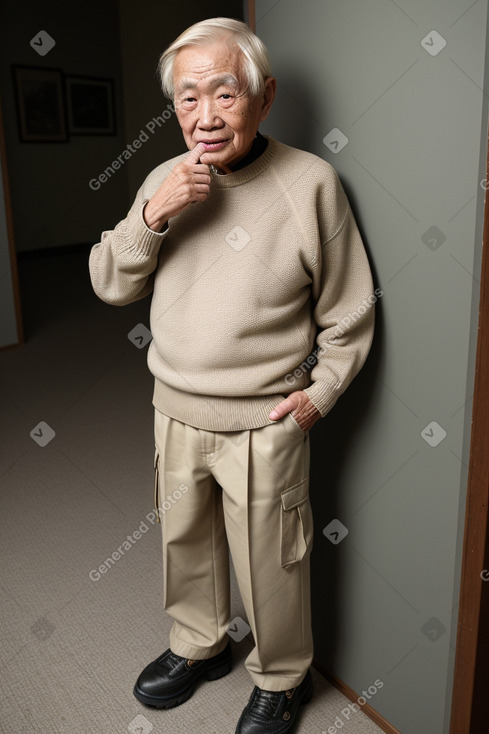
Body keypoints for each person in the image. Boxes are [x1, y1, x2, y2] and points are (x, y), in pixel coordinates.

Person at [89, 16, 375, 734]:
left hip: (264, 421)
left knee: (273, 561)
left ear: (263, 95)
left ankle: (281, 678)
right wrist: (152, 215)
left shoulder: (311, 183)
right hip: (174, 409)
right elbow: (108, 284)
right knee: (183, 541)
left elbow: (350, 312)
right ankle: (198, 644)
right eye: (188, 98)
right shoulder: (162, 178)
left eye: (225, 92)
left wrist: (318, 396)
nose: (205, 116)